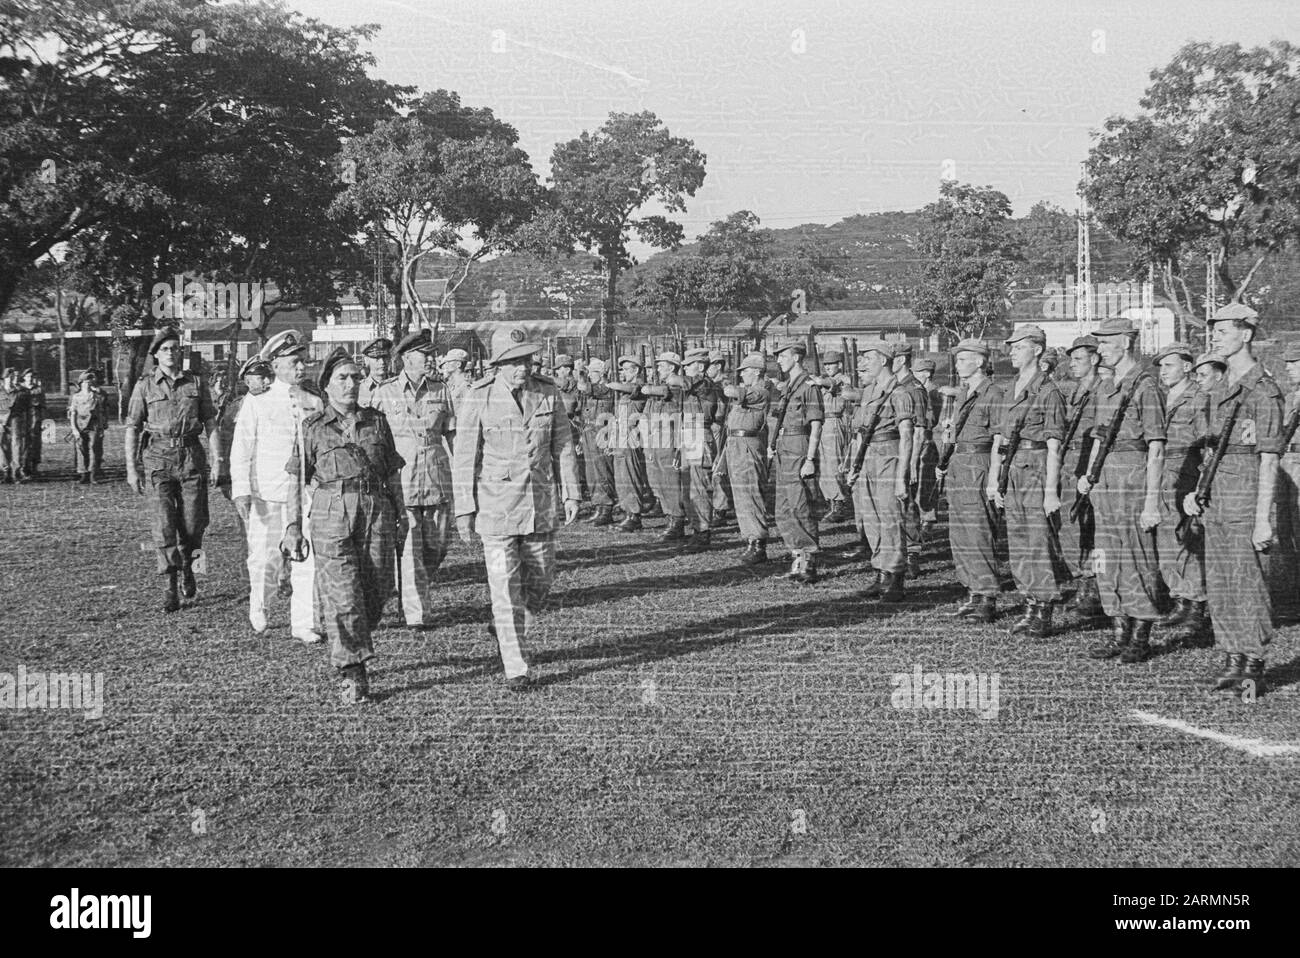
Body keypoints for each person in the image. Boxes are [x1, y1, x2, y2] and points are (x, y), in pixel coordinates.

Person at [452, 339, 580, 690]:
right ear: (497, 366)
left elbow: (563, 445)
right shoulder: (479, 395)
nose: (522, 367)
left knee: (540, 581)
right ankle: (516, 668)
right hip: (496, 507)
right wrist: (464, 508)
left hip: (539, 504)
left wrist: (571, 492)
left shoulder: (547, 392)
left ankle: (505, 626)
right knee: (504, 588)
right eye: (513, 362)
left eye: (526, 360)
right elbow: (464, 456)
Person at [284, 349, 406, 705]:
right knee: (343, 593)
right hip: (330, 511)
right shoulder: (312, 428)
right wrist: (292, 525)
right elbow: (296, 480)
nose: (351, 384)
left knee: (377, 590)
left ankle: (347, 635)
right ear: (326, 386)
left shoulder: (377, 422)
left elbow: (393, 472)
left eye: (355, 377)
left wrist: (402, 514)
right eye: (342, 378)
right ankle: (353, 670)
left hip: (376, 510)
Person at [1182, 303, 1283, 698]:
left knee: (1247, 582)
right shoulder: (1219, 389)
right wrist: (1197, 491)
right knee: (1221, 583)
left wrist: (1263, 519)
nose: (1216, 338)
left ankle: (1253, 665)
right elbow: (1212, 449)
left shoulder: (1263, 390)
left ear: (1246, 334)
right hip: (1217, 498)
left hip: (1245, 500)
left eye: (1224, 331)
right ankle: (1232, 657)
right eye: (1216, 331)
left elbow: (1269, 458)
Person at [1078, 319, 1166, 663]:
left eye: (1106, 343)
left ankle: (1141, 636)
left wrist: (1151, 501)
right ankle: (1119, 632)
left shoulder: (1146, 386)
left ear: (1126, 343)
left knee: (1137, 556)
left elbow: (1156, 446)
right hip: (1105, 480)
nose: (1100, 350)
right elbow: (1100, 436)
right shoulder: (1105, 387)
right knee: (1106, 557)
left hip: (1133, 475)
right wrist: (1089, 473)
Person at [230, 331, 324, 640]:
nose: (301, 368)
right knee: (265, 558)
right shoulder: (259, 402)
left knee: (306, 556)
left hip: (307, 492)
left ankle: (304, 623)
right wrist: (241, 490)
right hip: (268, 493)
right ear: (276, 364)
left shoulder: (314, 400)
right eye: (294, 362)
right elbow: (242, 448)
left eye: (303, 361)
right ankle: (260, 604)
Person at [125, 327, 222, 612]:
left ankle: (190, 568)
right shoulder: (145, 386)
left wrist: (218, 460)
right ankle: (170, 588)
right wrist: (132, 468)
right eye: (165, 349)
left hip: (191, 456)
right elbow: (132, 427)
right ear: (155, 355)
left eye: (175, 348)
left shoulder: (195, 383)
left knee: (194, 525)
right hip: (158, 458)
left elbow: (211, 423)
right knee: (164, 525)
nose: (171, 353)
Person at [371, 328, 456, 628]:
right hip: (403, 482)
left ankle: (414, 587)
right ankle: (416, 614)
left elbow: (452, 433)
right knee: (409, 549)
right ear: (408, 358)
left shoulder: (440, 390)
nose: (431, 359)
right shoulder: (384, 393)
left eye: (431, 354)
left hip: (436, 479)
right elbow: (374, 440)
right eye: (425, 355)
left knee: (438, 546)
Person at [986, 324, 1065, 638]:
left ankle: (1044, 609)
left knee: (1037, 541)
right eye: (1011, 347)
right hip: (1012, 468)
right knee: (1018, 540)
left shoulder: (1048, 391)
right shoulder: (1009, 389)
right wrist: (994, 480)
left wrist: (1050, 492)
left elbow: (1055, 444)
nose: (1011, 352)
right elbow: (1000, 439)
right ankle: (1029, 604)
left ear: (1036, 349)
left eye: (1018, 347)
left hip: (1036, 468)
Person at [939, 340, 1004, 621]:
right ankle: (973, 592)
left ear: (980, 362)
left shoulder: (992, 394)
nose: (958, 364)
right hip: (959, 464)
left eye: (964, 359)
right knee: (960, 532)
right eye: (958, 359)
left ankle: (987, 596)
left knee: (978, 531)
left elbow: (1000, 438)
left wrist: (994, 478)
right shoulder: (965, 393)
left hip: (979, 464)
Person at [1151, 341, 1211, 647]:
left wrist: (1201, 485)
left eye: (1169, 365)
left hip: (1186, 472)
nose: (1163, 372)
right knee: (1165, 538)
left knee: (1186, 539)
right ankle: (1179, 599)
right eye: (1160, 366)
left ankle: (1196, 603)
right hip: (1161, 473)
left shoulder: (1199, 399)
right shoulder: (1160, 397)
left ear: (1187, 367)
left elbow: (1207, 444)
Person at [846, 341, 917, 601]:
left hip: (889, 456)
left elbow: (907, 436)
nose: (861, 364)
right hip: (868, 460)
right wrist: (854, 466)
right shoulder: (867, 393)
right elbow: (861, 433)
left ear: (884, 360)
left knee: (890, 518)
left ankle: (895, 576)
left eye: (867, 359)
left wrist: (902, 477)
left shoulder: (900, 393)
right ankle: (880, 572)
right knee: (871, 518)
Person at [770, 341, 824, 583]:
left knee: (800, 503)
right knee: (783, 505)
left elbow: (816, 424)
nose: (779, 360)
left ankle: (809, 561)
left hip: (799, 445)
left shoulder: (808, 386)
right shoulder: (789, 386)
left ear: (796, 357)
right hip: (784, 446)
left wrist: (810, 459)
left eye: (782, 356)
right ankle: (796, 557)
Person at [1057, 335, 1102, 617]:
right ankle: (1084, 583)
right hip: (1070, 461)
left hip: (1090, 462)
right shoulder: (1075, 391)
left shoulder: (1102, 390)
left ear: (1094, 359)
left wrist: (1091, 472)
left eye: (1078, 359)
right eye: (1070, 359)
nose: (1072, 364)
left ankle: (1096, 587)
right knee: (1072, 525)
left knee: (1094, 528)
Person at [721, 351, 774, 564]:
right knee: (741, 494)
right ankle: (750, 540)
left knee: (751, 493)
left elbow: (731, 391)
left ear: (757, 372)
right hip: (736, 444)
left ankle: (758, 542)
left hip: (748, 445)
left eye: (744, 372)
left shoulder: (761, 391)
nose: (742, 376)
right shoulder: (751, 390)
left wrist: (724, 383)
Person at [674, 347, 722, 551]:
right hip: (689, 433)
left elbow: (677, 382)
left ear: (701, 366)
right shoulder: (693, 385)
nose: (684, 371)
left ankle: (703, 532)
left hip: (700, 434)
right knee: (689, 486)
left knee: (699, 487)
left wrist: (671, 374)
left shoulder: (704, 383)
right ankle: (697, 528)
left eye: (688, 366)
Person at [892, 343, 932, 579]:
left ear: (901, 360)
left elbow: (919, 429)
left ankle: (912, 555)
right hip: (896, 450)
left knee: (907, 504)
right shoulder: (897, 386)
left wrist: (913, 462)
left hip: (909, 451)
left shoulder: (914, 388)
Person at [640, 351, 688, 540]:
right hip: (654, 438)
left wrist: (648, 388)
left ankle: (677, 520)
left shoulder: (676, 386)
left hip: (668, 438)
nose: (658, 368)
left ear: (672, 367)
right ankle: (670, 516)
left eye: (661, 365)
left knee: (670, 481)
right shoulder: (657, 387)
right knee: (657, 480)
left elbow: (666, 392)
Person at [607, 354, 652, 532]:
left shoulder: (639, 387)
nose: (623, 372)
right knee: (621, 476)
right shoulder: (625, 392)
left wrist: (610, 384)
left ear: (636, 371)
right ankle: (628, 512)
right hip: (620, 434)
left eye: (627, 369)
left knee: (630, 475)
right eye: (623, 369)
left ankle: (634, 515)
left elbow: (624, 387)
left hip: (631, 435)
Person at [811, 351, 853, 523]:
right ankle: (831, 501)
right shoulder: (825, 379)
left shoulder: (844, 379)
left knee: (834, 463)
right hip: (822, 422)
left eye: (832, 363)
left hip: (834, 422)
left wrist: (818, 381)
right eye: (826, 364)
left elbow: (831, 383)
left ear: (840, 365)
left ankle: (839, 503)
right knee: (824, 465)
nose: (827, 366)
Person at [577, 357, 619, 526]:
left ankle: (606, 508)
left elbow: (584, 387)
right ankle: (598, 506)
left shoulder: (606, 388)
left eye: (593, 372)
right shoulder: (592, 390)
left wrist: (580, 374)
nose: (589, 375)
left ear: (602, 374)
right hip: (588, 431)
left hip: (602, 432)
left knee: (603, 471)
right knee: (591, 472)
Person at [1276, 346, 1300, 600]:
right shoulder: (1292, 396)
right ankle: (1293, 585)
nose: (1288, 367)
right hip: (1286, 462)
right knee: (1284, 527)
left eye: (1294, 362)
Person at [706, 349, 735, 522]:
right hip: (710, 426)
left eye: (709, 365)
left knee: (718, 466)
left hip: (720, 426)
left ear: (718, 366)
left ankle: (721, 507)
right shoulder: (709, 382)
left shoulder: (723, 382)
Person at [68, 370, 109, 484]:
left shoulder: (96, 396)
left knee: (94, 449)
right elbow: (73, 413)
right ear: (80, 384)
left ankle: (93, 473)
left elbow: (101, 412)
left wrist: (101, 426)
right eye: (85, 383)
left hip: (94, 425)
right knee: (81, 449)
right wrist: (74, 429)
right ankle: (83, 473)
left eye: (89, 383)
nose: (87, 385)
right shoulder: (76, 397)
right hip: (80, 425)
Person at [21, 370, 45, 477]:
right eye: (28, 376)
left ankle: (34, 467)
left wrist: (43, 420)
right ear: (24, 377)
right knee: (24, 443)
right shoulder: (20, 389)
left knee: (35, 443)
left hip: (35, 418)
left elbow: (43, 406)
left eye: (32, 376)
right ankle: (24, 467)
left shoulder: (38, 390)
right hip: (23, 419)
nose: (30, 378)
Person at [358, 338, 393, 408]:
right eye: (377, 358)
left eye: (385, 357)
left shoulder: (397, 386)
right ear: (366, 360)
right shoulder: (359, 389)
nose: (382, 362)